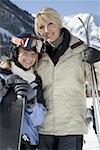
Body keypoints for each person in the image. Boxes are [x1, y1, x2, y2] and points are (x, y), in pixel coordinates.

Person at [34, 7, 100, 150]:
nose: (46, 30)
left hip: (71, 127)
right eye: (41, 27)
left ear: (59, 23)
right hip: (44, 127)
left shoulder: (80, 50)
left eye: (50, 24)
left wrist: (98, 61)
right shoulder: (38, 55)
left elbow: (97, 82)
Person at [0, 33, 46, 150]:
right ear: (15, 53)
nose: (29, 59)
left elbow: (39, 120)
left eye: (33, 54)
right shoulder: (2, 74)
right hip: (5, 141)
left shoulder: (35, 82)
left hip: (29, 143)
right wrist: (3, 88)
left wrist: (31, 101)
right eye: (25, 53)